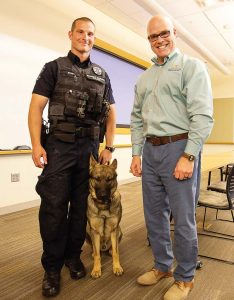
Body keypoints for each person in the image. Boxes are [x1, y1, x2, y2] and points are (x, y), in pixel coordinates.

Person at [28, 17, 116, 297]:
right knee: (54, 208)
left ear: (94, 38)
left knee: (81, 207)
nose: (85, 37)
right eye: (81, 32)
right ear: (70, 34)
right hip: (58, 146)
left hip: (88, 149)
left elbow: (112, 113)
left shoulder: (102, 74)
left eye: (90, 34)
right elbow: (35, 108)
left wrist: (109, 147)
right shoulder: (53, 68)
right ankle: (52, 267)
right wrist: (35, 145)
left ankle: (73, 257)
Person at [130, 15, 213, 300]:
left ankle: (185, 277)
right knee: (154, 216)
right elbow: (137, 118)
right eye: (153, 36)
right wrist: (136, 153)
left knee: (184, 218)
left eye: (164, 33)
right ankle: (162, 266)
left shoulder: (191, 68)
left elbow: (202, 116)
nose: (159, 40)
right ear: (149, 40)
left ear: (174, 33)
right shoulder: (145, 76)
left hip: (179, 148)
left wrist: (189, 155)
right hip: (150, 152)